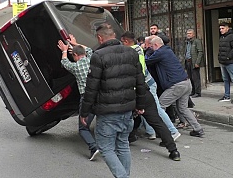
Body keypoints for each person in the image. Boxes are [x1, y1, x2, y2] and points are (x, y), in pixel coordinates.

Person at [80, 23, 147, 178]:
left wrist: (84, 112)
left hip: (107, 111)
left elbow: (91, 87)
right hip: (127, 109)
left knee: (105, 147)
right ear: (115, 36)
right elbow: (140, 81)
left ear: (100, 37)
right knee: (123, 145)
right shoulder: (131, 53)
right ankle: (125, 175)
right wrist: (140, 105)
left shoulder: (98, 56)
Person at [120, 32, 181, 143]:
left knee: (157, 109)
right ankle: (151, 132)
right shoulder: (137, 49)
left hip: (146, 84)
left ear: (126, 41)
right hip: (146, 84)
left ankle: (173, 131)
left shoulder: (134, 51)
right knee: (145, 109)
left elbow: (141, 71)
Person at [145, 36, 205, 137]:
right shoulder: (168, 50)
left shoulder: (160, 53)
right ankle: (198, 129)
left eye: (151, 47)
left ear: (156, 45)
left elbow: (146, 61)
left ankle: (167, 132)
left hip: (177, 85)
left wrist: (146, 52)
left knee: (160, 106)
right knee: (183, 108)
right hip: (186, 82)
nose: (151, 49)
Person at [57, 35, 100, 161]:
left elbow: (64, 62)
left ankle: (93, 147)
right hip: (100, 97)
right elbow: (90, 50)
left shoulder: (76, 67)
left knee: (83, 127)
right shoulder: (92, 59)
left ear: (75, 55)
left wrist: (64, 50)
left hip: (86, 99)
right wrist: (75, 43)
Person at [217, 22, 233, 104]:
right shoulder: (222, 37)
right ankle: (226, 96)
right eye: (220, 29)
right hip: (222, 62)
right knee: (225, 80)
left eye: (222, 28)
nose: (221, 30)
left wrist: (228, 57)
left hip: (230, 62)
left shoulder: (232, 36)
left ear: (227, 28)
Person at [185, 29, 204, 98]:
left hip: (194, 62)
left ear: (193, 34)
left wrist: (197, 62)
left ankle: (197, 92)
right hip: (188, 61)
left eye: (190, 33)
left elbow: (200, 52)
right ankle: (193, 91)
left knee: (196, 77)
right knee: (190, 77)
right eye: (187, 33)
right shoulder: (187, 42)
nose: (188, 35)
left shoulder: (196, 41)